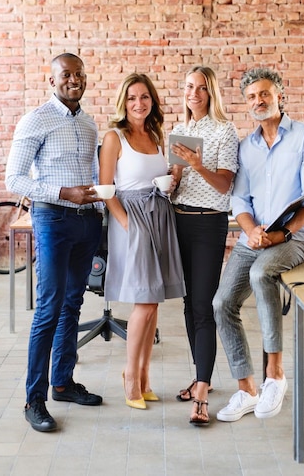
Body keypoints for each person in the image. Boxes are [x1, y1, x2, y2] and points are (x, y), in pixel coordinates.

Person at [213, 66, 304, 423]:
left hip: (295, 237)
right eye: (250, 97)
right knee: (222, 302)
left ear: (280, 96)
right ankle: (247, 388)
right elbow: (240, 200)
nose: (257, 101)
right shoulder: (246, 147)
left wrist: (280, 234)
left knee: (263, 274)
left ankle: (275, 376)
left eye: (264, 94)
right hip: (255, 235)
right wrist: (250, 231)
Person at [5, 53, 104, 433]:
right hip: (52, 219)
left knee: (72, 303)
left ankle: (62, 382)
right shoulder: (36, 120)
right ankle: (34, 398)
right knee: (48, 307)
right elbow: (15, 179)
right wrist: (64, 192)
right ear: (52, 80)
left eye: (79, 74)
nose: (73, 80)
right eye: (66, 75)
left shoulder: (90, 123)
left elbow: (92, 173)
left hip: (86, 222)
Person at [99, 72, 186, 410]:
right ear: (124, 102)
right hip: (132, 219)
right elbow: (106, 189)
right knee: (144, 301)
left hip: (161, 215)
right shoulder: (114, 137)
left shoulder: (157, 134)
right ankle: (130, 376)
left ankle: (146, 377)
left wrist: (173, 179)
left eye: (145, 97)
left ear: (153, 101)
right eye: (133, 98)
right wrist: (127, 225)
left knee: (155, 301)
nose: (139, 103)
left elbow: (160, 181)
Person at [170, 65, 239, 426]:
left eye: (200, 88)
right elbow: (175, 185)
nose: (193, 94)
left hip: (208, 224)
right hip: (177, 219)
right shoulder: (179, 131)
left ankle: (201, 391)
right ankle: (202, 377)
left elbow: (225, 185)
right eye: (188, 87)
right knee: (187, 302)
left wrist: (196, 165)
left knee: (203, 305)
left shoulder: (225, 131)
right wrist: (173, 177)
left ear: (211, 93)